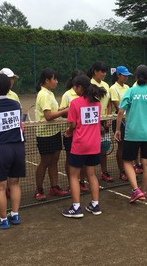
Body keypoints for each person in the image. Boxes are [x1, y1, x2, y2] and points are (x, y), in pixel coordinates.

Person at [115, 65, 147, 202]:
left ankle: (136, 190)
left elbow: (120, 112)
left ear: (136, 77)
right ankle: (142, 191)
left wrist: (118, 129)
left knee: (127, 161)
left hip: (132, 134)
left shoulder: (130, 91)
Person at [0, 73, 26, 229]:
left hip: (1, 147)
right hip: (19, 147)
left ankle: (3, 220)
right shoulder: (17, 104)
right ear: (9, 87)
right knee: (14, 184)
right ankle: (15, 215)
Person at [62, 75, 107, 218]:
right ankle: (95, 204)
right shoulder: (97, 103)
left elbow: (73, 125)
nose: (74, 89)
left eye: (75, 87)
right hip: (94, 144)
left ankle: (76, 208)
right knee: (91, 174)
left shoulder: (75, 103)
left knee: (74, 176)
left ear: (80, 87)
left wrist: (68, 132)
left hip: (80, 145)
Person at [34, 68, 69, 200]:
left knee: (54, 160)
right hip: (44, 134)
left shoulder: (50, 94)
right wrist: (64, 111)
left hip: (54, 132)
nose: (56, 81)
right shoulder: (43, 94)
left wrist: (63, 110)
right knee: (45, 161)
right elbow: (48, 115)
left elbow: (53, 111)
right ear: (47, 80)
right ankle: (39, 189)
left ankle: (54, 187)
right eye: (54, 79)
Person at [0, 67, 21, 200]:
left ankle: (7, 188)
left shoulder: (14, 96)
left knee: (12, 170)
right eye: (10, 78)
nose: (12, 81)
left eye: (13, 78)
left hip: (13, 138)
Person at [60, 69, 88, 192]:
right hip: (72, 133)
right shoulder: (67, 95)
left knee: (84, 160)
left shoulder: (89, 96)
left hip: (84, 134)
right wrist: (72, 112)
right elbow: (62, 112)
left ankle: (81, 181)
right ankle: (71, 182)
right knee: (70, 159)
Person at [87, 62, 114, 182]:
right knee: (91, 150)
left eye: (105, 71)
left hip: (104, 120)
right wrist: (97, 124)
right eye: (102, 71)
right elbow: (89, 105)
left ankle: (104, 172)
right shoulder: (89, 85)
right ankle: (87, 176)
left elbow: (109, 104)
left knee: (103, 148)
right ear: (95, 72)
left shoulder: (106, 85)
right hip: (92, 122)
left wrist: (108, 118)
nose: (104, 74)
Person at [110, 66, 132, 181]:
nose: (126, 77)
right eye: (124, 75)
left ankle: (128, 168)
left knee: (130, 146)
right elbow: (118, 107)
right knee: (122, 146)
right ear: (118, 75)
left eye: (127, 75)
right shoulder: (113, 88)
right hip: (119, 121)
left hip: (130, 121)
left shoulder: (128, 87)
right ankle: (122, 171)